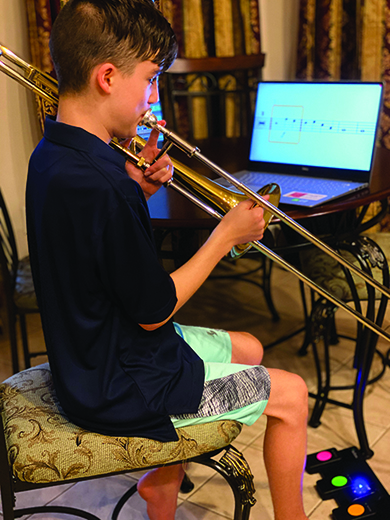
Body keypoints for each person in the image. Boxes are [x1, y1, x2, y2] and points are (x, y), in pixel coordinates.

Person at [25, 1, 309, 519]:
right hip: (122, 383)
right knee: (292, 395)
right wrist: (224, 236)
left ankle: (162, 482)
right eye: (151, 80)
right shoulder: (102, 182)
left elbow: (103, 260)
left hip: (93, 356)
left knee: (250, 346)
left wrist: (137, 189)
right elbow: (155, 309)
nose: (153, 99)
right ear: (107, 77)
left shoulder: (57, 154)